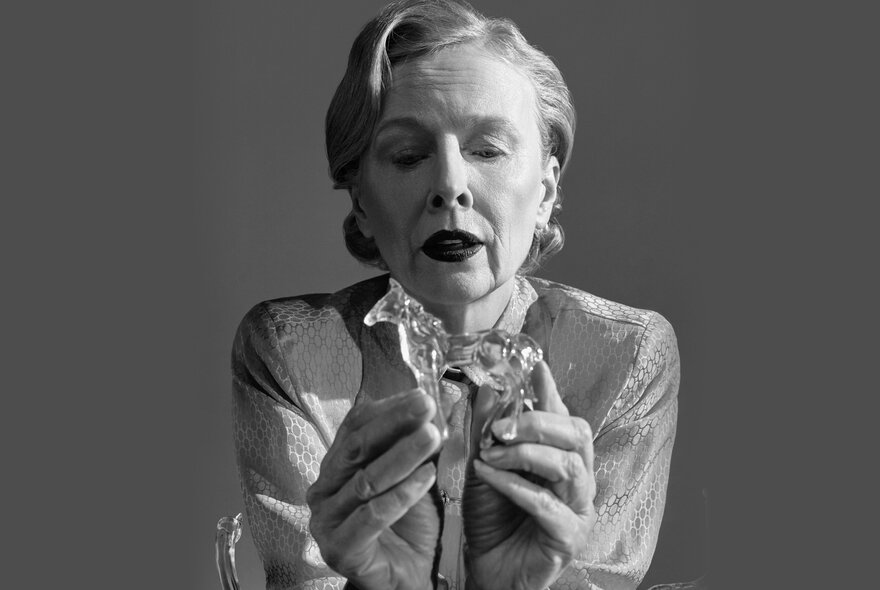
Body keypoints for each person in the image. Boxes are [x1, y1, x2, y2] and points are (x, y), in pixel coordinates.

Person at [231, 1, 679, 588]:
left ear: (545, 192)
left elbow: (599, 578)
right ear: (361, 202)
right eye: (408, 156)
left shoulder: (629, 354)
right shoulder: (290, 350)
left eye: (488, 150)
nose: (449, 186)